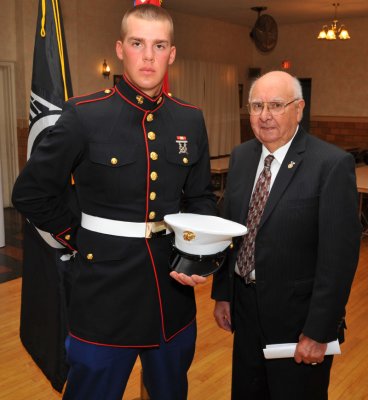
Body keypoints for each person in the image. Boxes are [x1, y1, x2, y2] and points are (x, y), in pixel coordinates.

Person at [12, 4, 216, 400]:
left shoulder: (189, 119)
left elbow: (200, 197)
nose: (149, 56)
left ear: (172, 54)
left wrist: (197, 254)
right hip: (103, 295)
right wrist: (81, 238)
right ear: (121, 48)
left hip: (170, 298)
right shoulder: (85, 114)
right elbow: (30, 192)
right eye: (138, 43)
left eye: (159, 46)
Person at [211, 71, 361, 400]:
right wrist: (224, 293)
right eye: (256, 105)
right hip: (245, 312)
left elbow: (338, 260)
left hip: (299, 321)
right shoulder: (242, 157)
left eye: (276, 105)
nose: (264, 115)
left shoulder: (331, 165)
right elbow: (232, 232)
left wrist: (319, 331)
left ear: (299, 108)